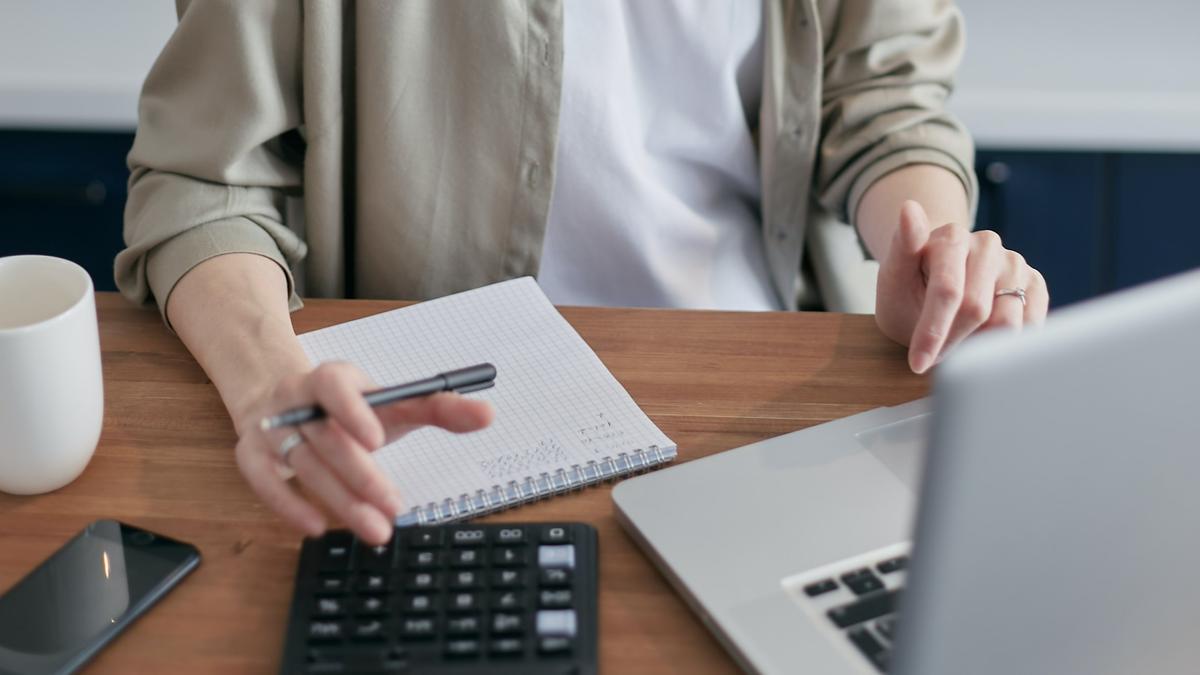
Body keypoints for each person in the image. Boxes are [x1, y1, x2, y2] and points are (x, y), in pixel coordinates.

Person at [115, 1, 1048, 545]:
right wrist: (271, 382)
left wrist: (926, 249)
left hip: (761, 397)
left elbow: (885, 99)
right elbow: (203, 178)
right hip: (425, 437)